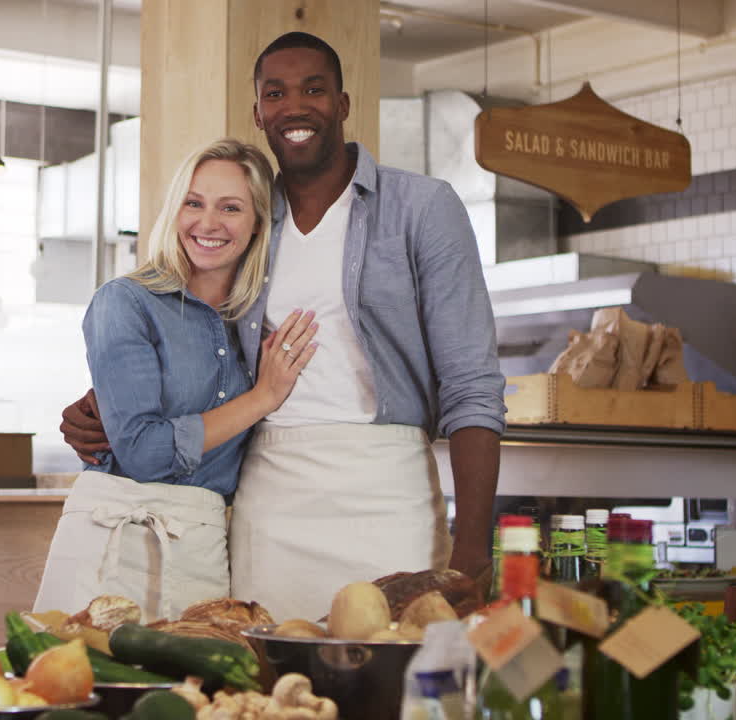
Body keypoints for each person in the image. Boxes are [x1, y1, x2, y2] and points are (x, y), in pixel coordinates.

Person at [60, 32, 506, 621]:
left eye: (313, 90)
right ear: (258, 113)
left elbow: (472, 383)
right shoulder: (247, 216)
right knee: (271, 663)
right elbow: (197, 334)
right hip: (268, 494)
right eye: (276, 94)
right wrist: (110, 408)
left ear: (342, 104)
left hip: (390, 488)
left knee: (394, 660)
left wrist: (473, 542)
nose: (295, 107)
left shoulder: (422, 208)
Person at [34, 138, 318, 622]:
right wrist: (262, 398)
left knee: (195, 672)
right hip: (108, 542)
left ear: (257, 224)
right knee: (81, 671)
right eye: (194, 203)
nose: (208, 223)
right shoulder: (125, 302)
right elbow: (143, 453)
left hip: (202, 546)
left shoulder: (257, 325)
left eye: (230, 208)